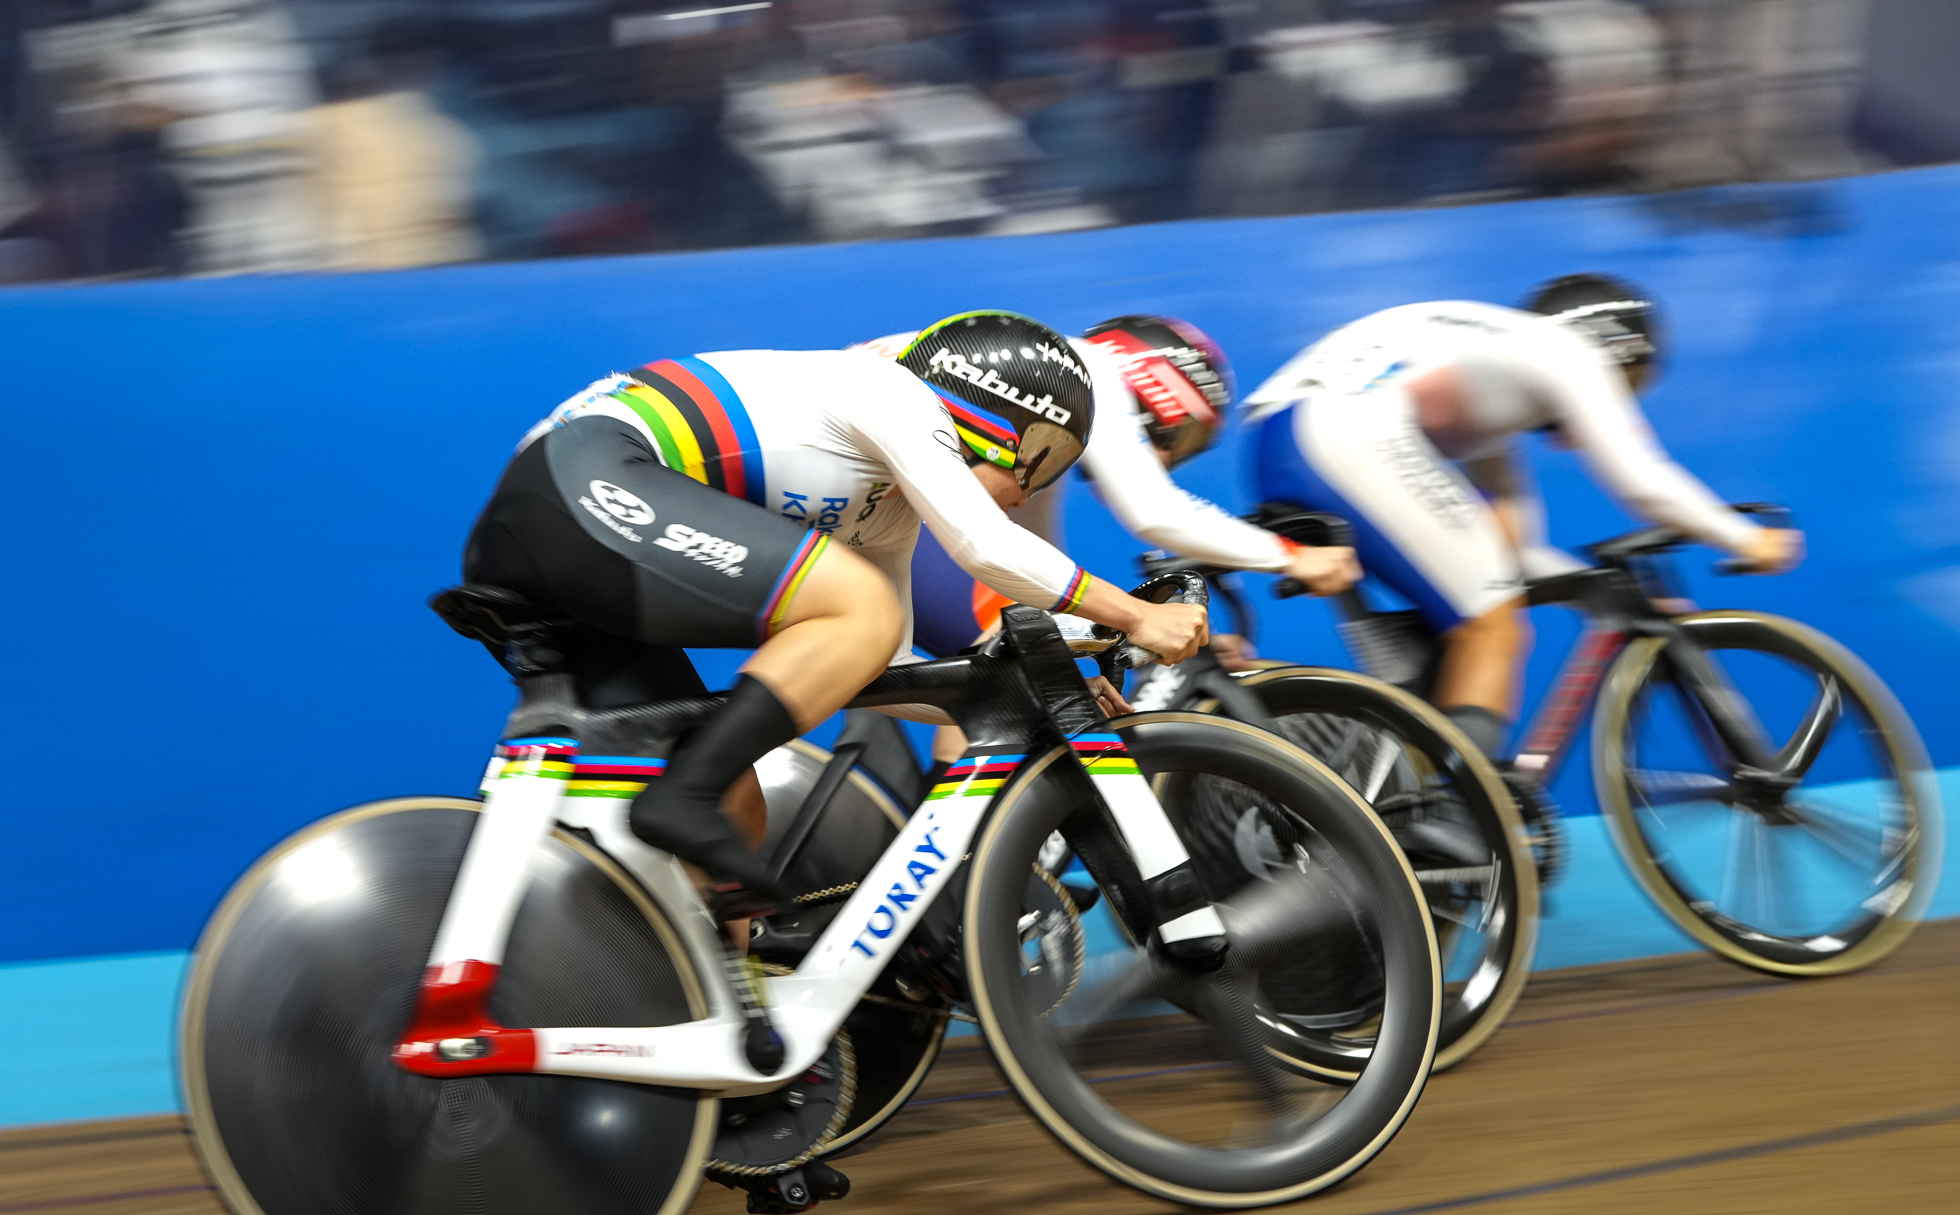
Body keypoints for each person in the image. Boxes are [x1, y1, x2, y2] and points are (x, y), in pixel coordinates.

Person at [460, 311, 1208, 918]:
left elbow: (879, 663)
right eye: (1040, 467)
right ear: (1009, 427)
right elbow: (983, 545)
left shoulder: (882, 513)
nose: (1027, 493)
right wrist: (1135, 618)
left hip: (574, 523)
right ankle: (680, 796)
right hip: (577, 482)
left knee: (739, 803)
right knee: (858, 605)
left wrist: (1026, 689)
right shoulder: (891, 396)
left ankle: (728, 1014)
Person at [1245, 273, 1804, 765]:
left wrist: (1605, 599)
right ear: (1617, 350)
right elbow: (1641, 479)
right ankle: (1461, 820)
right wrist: (1745, 538)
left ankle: (1398, 808)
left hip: (1281, 440)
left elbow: (1509, 549)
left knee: (1475, 621)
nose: (1617, 404)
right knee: (1494, 629)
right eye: (1629, 389)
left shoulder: (1493, 376)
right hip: (1339, 432)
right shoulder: (1568, 354)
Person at [857, 313, 1360, 770]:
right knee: (1014, 671)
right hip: (871, 501)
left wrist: (1142, 634)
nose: (1163, 460)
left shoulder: (1032, 419)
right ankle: (967, 857)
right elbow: (1156, 511)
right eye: (1179, 439)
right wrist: (1292, 557)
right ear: (1158, 392)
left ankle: (966, 847)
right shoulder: (1094, 374)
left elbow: (1035, 574)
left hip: (853, 495)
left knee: (1014, 663)